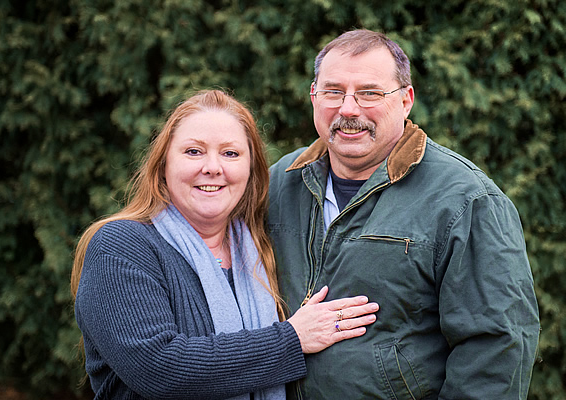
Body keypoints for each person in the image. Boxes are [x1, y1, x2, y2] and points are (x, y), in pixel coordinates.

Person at [268, 29, 540, 399]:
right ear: (314, 96)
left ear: (406, 100)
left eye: (370, 93)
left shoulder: (465, 199)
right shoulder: (281, 182)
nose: (348, 108)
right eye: (333, 91)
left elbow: (498, 346)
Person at [70, 90, 379, 400]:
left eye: (230, 154)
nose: (213, 167)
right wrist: (292, 339)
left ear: (251, 170)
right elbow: (159, 369)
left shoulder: (262, 250)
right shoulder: (121, 246)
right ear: (163, 163)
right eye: (193, 152)